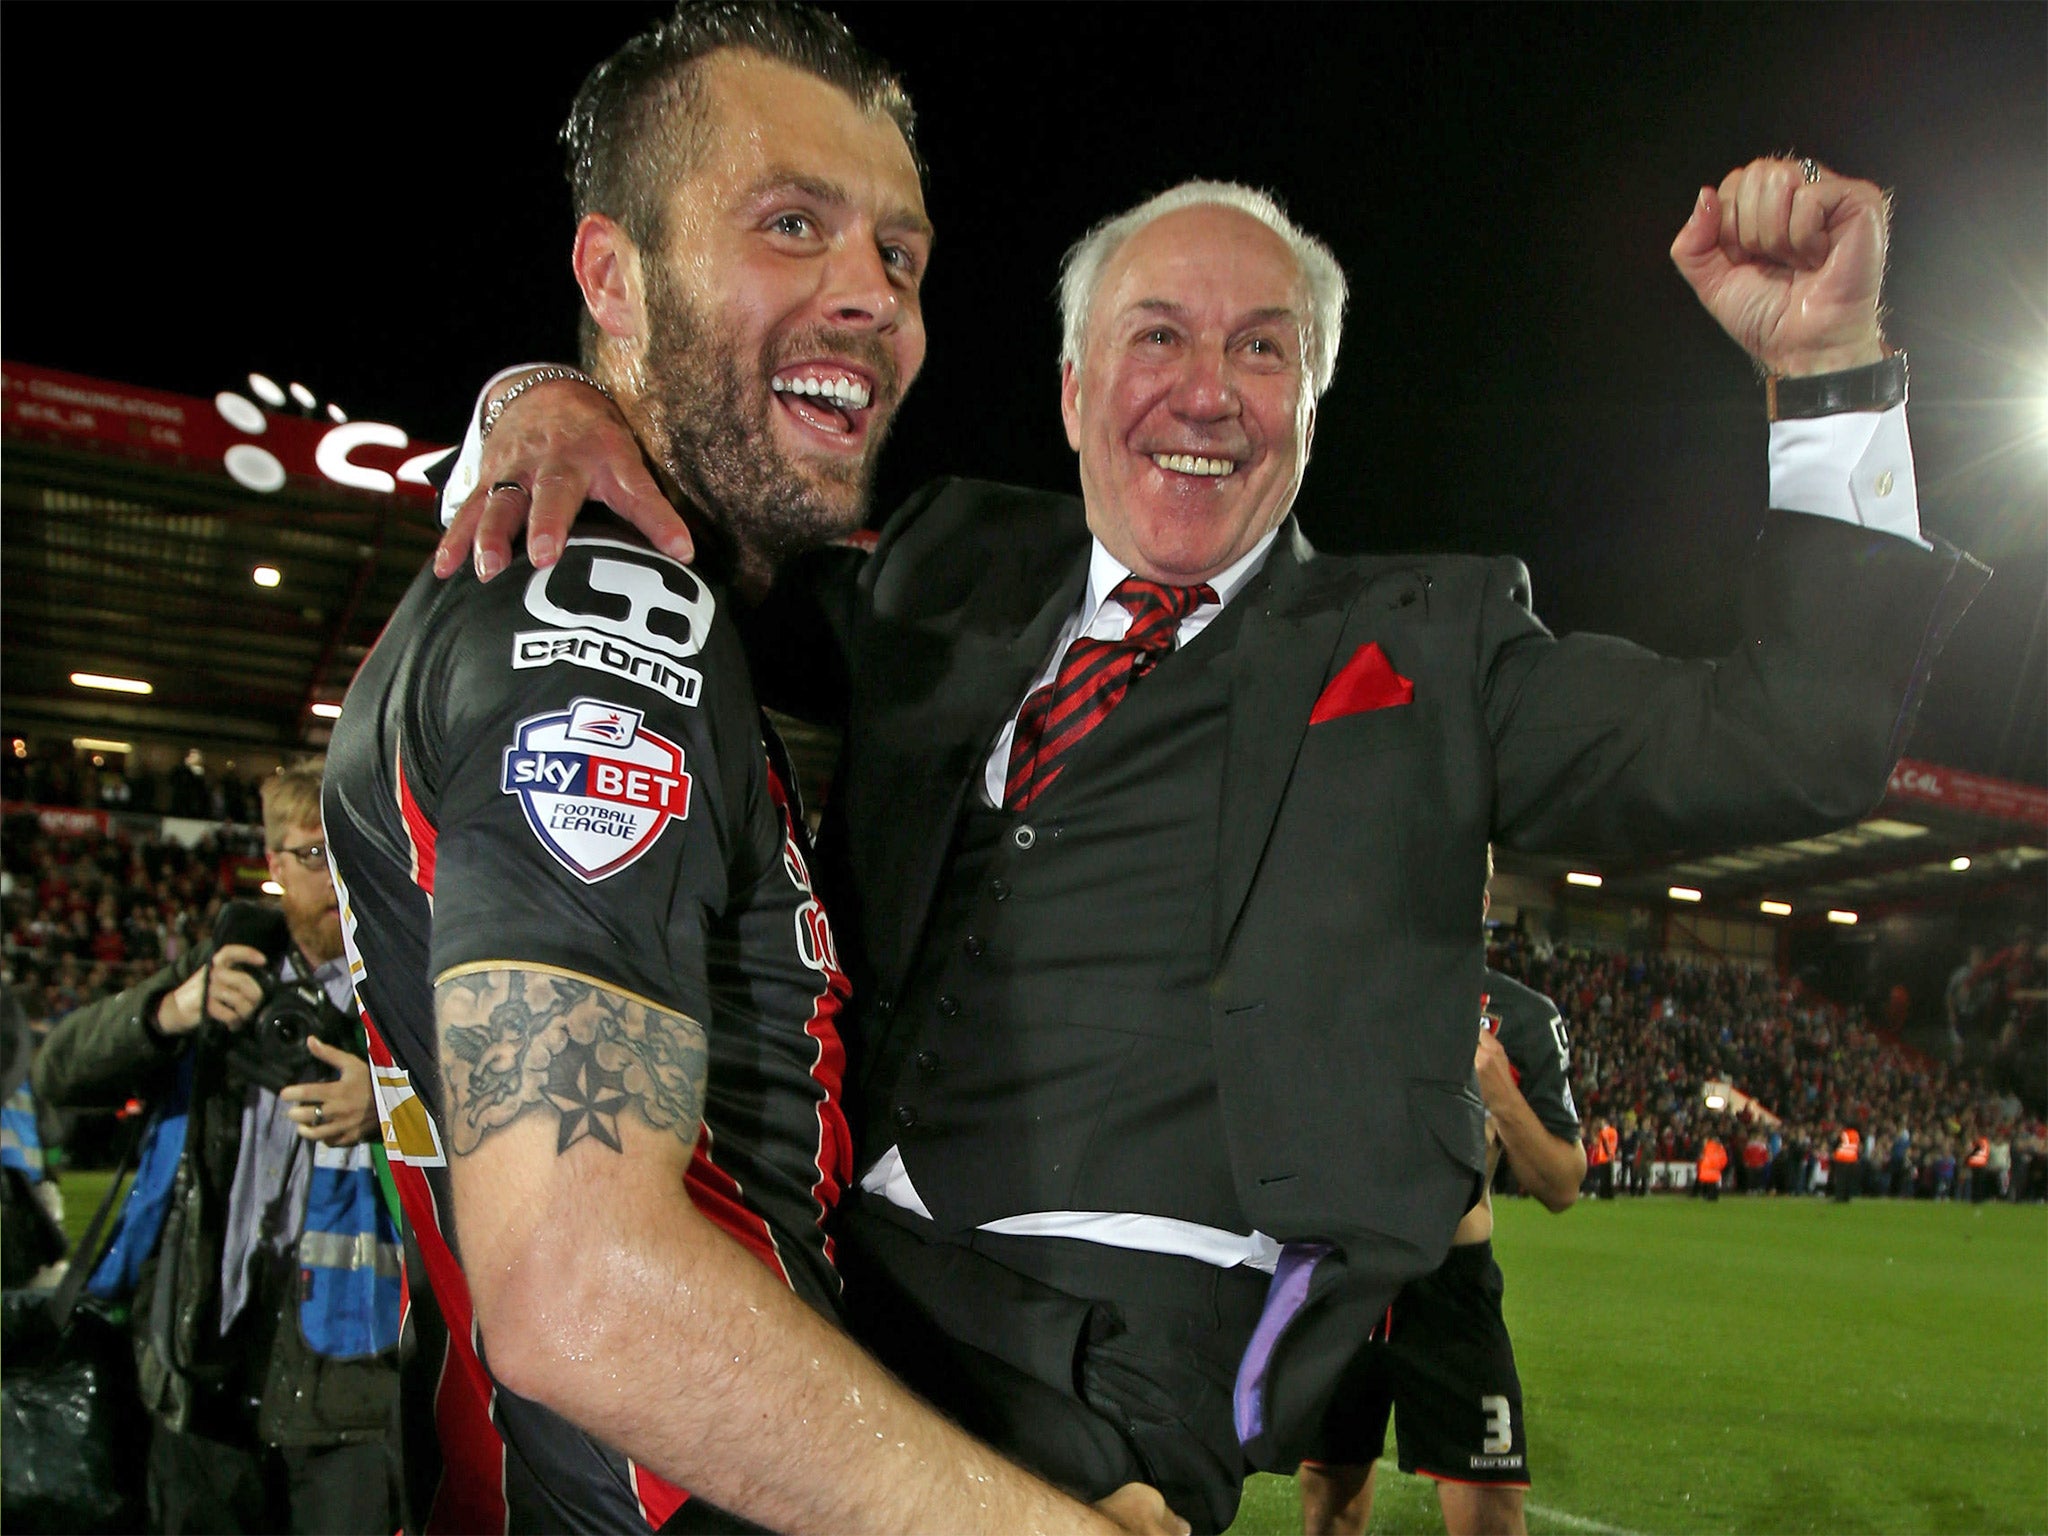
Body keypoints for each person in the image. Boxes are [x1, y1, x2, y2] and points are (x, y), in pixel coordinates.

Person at [443, 59, 1986, 1528]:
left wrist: (1822, 370)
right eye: (1159, 337)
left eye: (1264, 350)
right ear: (1068, 389)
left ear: (1311, 402)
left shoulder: (1434, 647)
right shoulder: (943, 566)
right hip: (814, 1282)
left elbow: (1798, 737)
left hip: (1121, 1348)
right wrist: (549, 400)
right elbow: (682, 553)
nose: (1208, 392)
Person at [325, 8, 1176, 1534]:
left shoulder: (669, 608)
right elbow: (584, 1285)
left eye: (901, 257)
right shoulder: (604, 617)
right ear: (613, 276)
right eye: (793, 225)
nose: (871, 297)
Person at [32, 761, 401, 1536]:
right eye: (310, 855)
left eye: (349, 852)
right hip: (199, 1372)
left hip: (347, 1402)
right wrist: (165, 1011)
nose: (333, 878)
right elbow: (57, 1074)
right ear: (271, 865)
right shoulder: (221, 975)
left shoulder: (408, 1000)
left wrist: (389, 1103)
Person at [1295, 963, 1584, 1536]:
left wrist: (1500, 1092)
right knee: (1331, 1505)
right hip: (1348, 1274)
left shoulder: (1522, 1015)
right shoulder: (1335, 983)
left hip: (1452, 1287)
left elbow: (1562, 1185)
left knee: (1489, 1519)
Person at [1831, 1122, 1862, 1203]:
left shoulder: (1844, 1134)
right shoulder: (1856, 1135)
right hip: (1852, 1159)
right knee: (1848, 1180)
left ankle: (1839, 1197)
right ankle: (1846, 1197)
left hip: (1842, 1158)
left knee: (1840, 1180)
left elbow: (1836, 1144)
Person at [1697, 1128, 1728, 1202]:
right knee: (1712, 1182)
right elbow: (1723, 1157)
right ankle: (1712, 1195)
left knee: (1710, 1183)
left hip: (1710, 1166)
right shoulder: (1718, 1147)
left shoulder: (1710, 1146)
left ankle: (1710, 1195)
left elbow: (1702, 1156)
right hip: (1713, 1167)